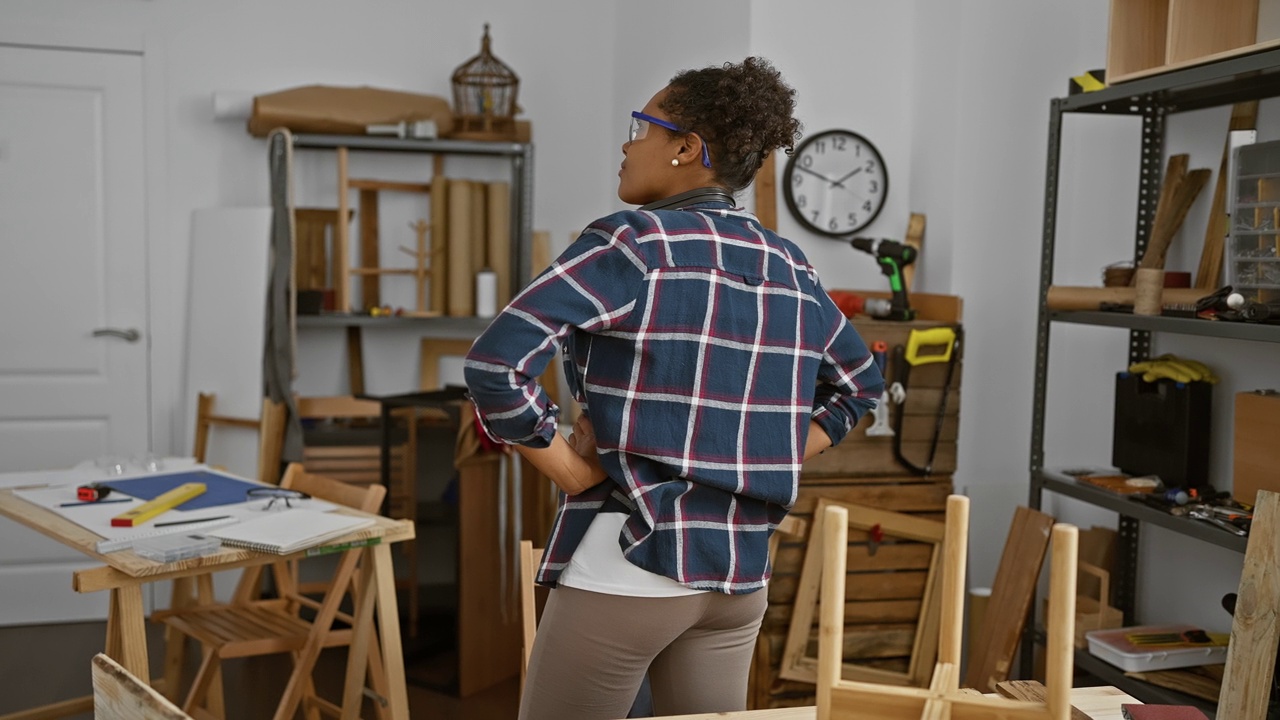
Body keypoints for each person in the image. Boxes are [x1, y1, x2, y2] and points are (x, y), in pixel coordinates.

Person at [464, 57, 883, 720]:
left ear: (688, 148)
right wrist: (759, 455)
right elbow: (861, 384)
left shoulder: (629, 245)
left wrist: (570, 471)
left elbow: (494, 365)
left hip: (635, 557)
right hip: (740, 579)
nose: (628, 144)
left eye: (642, 127)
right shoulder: (788, 263)